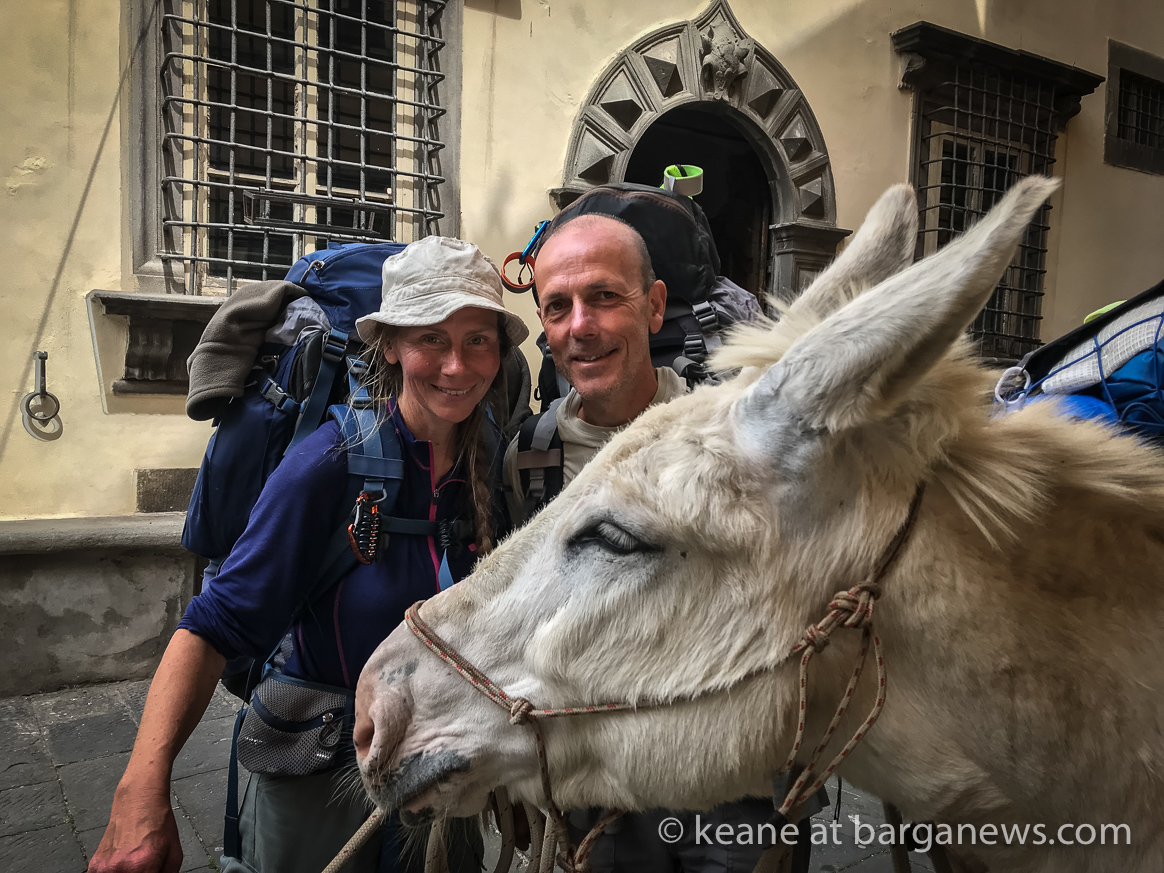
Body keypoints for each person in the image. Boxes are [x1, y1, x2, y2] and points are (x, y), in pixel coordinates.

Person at [89, 237, 529, 873]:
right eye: (431, 338)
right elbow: (215, 625)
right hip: (319, 776)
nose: (457, 366)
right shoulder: (328, 463)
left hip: (442, 766)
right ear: (391, 345)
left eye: (477, 340)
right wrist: (139, 794)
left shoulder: (489, 463)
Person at [502, 214, 779, 872]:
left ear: (654, 306)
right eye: (559, 307)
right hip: (596, 781)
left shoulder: (730, 439)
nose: (581, 327)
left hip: (728, 776)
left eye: (604, 296)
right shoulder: (531, 458)